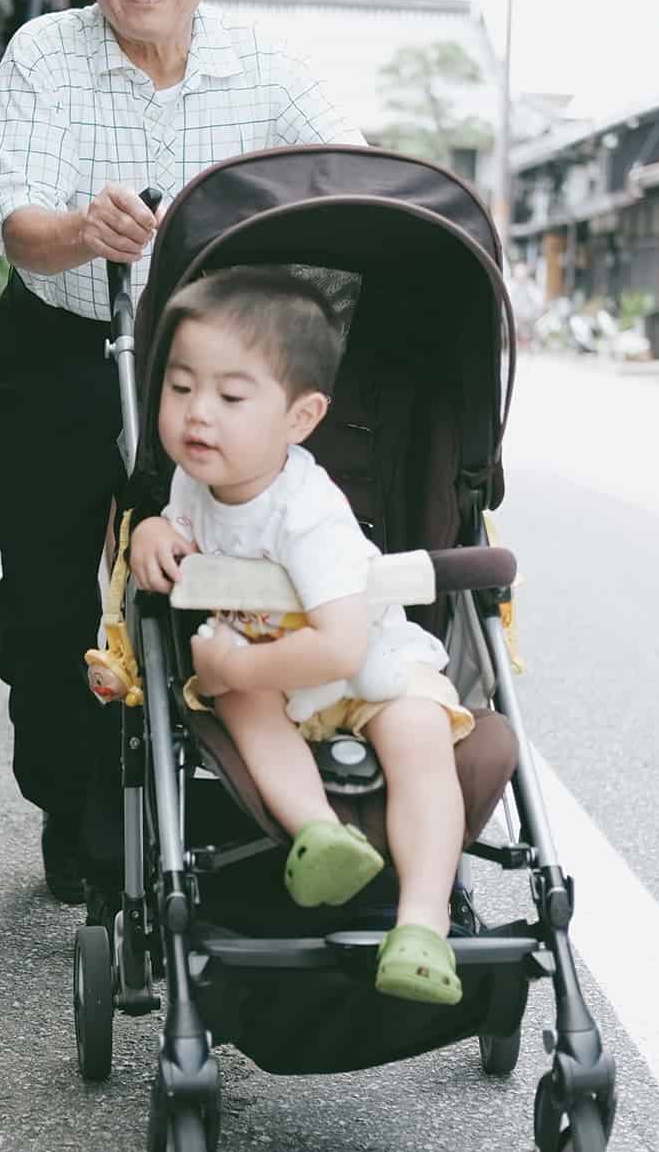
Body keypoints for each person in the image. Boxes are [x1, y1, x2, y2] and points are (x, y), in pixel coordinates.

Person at [0, 0, 363, 902]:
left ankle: (207, 806)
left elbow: (355, 183)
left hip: (210, 375)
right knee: (52, 603)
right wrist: (78, 230)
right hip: (62, 348)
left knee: (216, 578)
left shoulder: (268, 69)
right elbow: (14, 227)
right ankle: (74, 811)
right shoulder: (43, 55)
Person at [129, 268, 473, 1006]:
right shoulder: (196, 485)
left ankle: (422, 921)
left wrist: (235, 666)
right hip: (283, 685)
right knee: (241, 703)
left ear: (300, 417)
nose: (198, 415)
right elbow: (178, 525)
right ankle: (320, 835)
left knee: (418, 734)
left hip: (367, 672)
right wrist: (153, 530)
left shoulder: (308, 514)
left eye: (230, 396)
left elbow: (342, 648)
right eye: (180, 387)